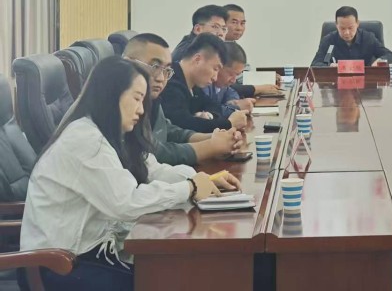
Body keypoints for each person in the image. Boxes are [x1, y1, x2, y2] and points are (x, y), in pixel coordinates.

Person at [20, 56, 239, 290]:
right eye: (136, 98)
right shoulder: (85, 140)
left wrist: (203, 181)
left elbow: (153, 170)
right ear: (111, 95)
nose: (141, 109)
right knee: (172, 281)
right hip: (58, 267)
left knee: (179, 274)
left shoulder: (111, 134)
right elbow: (126, 202)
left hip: (89, 256)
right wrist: (190, 187)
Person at [123, 33, 243, 165]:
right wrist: (212, 146)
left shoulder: (152, 97)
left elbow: (168, 130)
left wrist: (217, 138)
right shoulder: (119, 105)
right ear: (127, 62)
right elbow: (151, 151)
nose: (161, 78)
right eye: (155, 67)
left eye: (166, 70)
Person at [160, 34, 248, 134]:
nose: (215, 77)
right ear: (197, 59)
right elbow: (183, 124)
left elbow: (213, 106)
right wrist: (229, 123)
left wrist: (209, 115)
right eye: (215, 69)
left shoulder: (194, 85)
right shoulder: (170, 82)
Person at [223, 3, 281, 98]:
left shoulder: (234, 46)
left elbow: (243, 75)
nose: (239, 28)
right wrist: (259, 88)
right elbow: (228, 85)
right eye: (234, 22)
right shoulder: (217, 50)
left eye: (242, 23)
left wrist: (267, 77)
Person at [311, 6, 392, 66]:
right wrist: (329, 66)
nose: (347, 33)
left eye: (350, 28)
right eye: (342, 28)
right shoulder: (329, 40)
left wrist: (380, 61)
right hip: (336, 83)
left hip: (366, 83)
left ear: (357, 23)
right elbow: (315, 64)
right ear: (336, 25)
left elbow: (390, 55)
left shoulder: (368, 38)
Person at [200, 41, 256, 118]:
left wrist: (234, 103)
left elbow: (231, 92)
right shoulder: (203, 84)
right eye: (231, 74)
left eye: (237, 75)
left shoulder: (222, 85)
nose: (233, 80)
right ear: (219, 66)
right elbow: (211, 112)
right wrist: (238, 107)